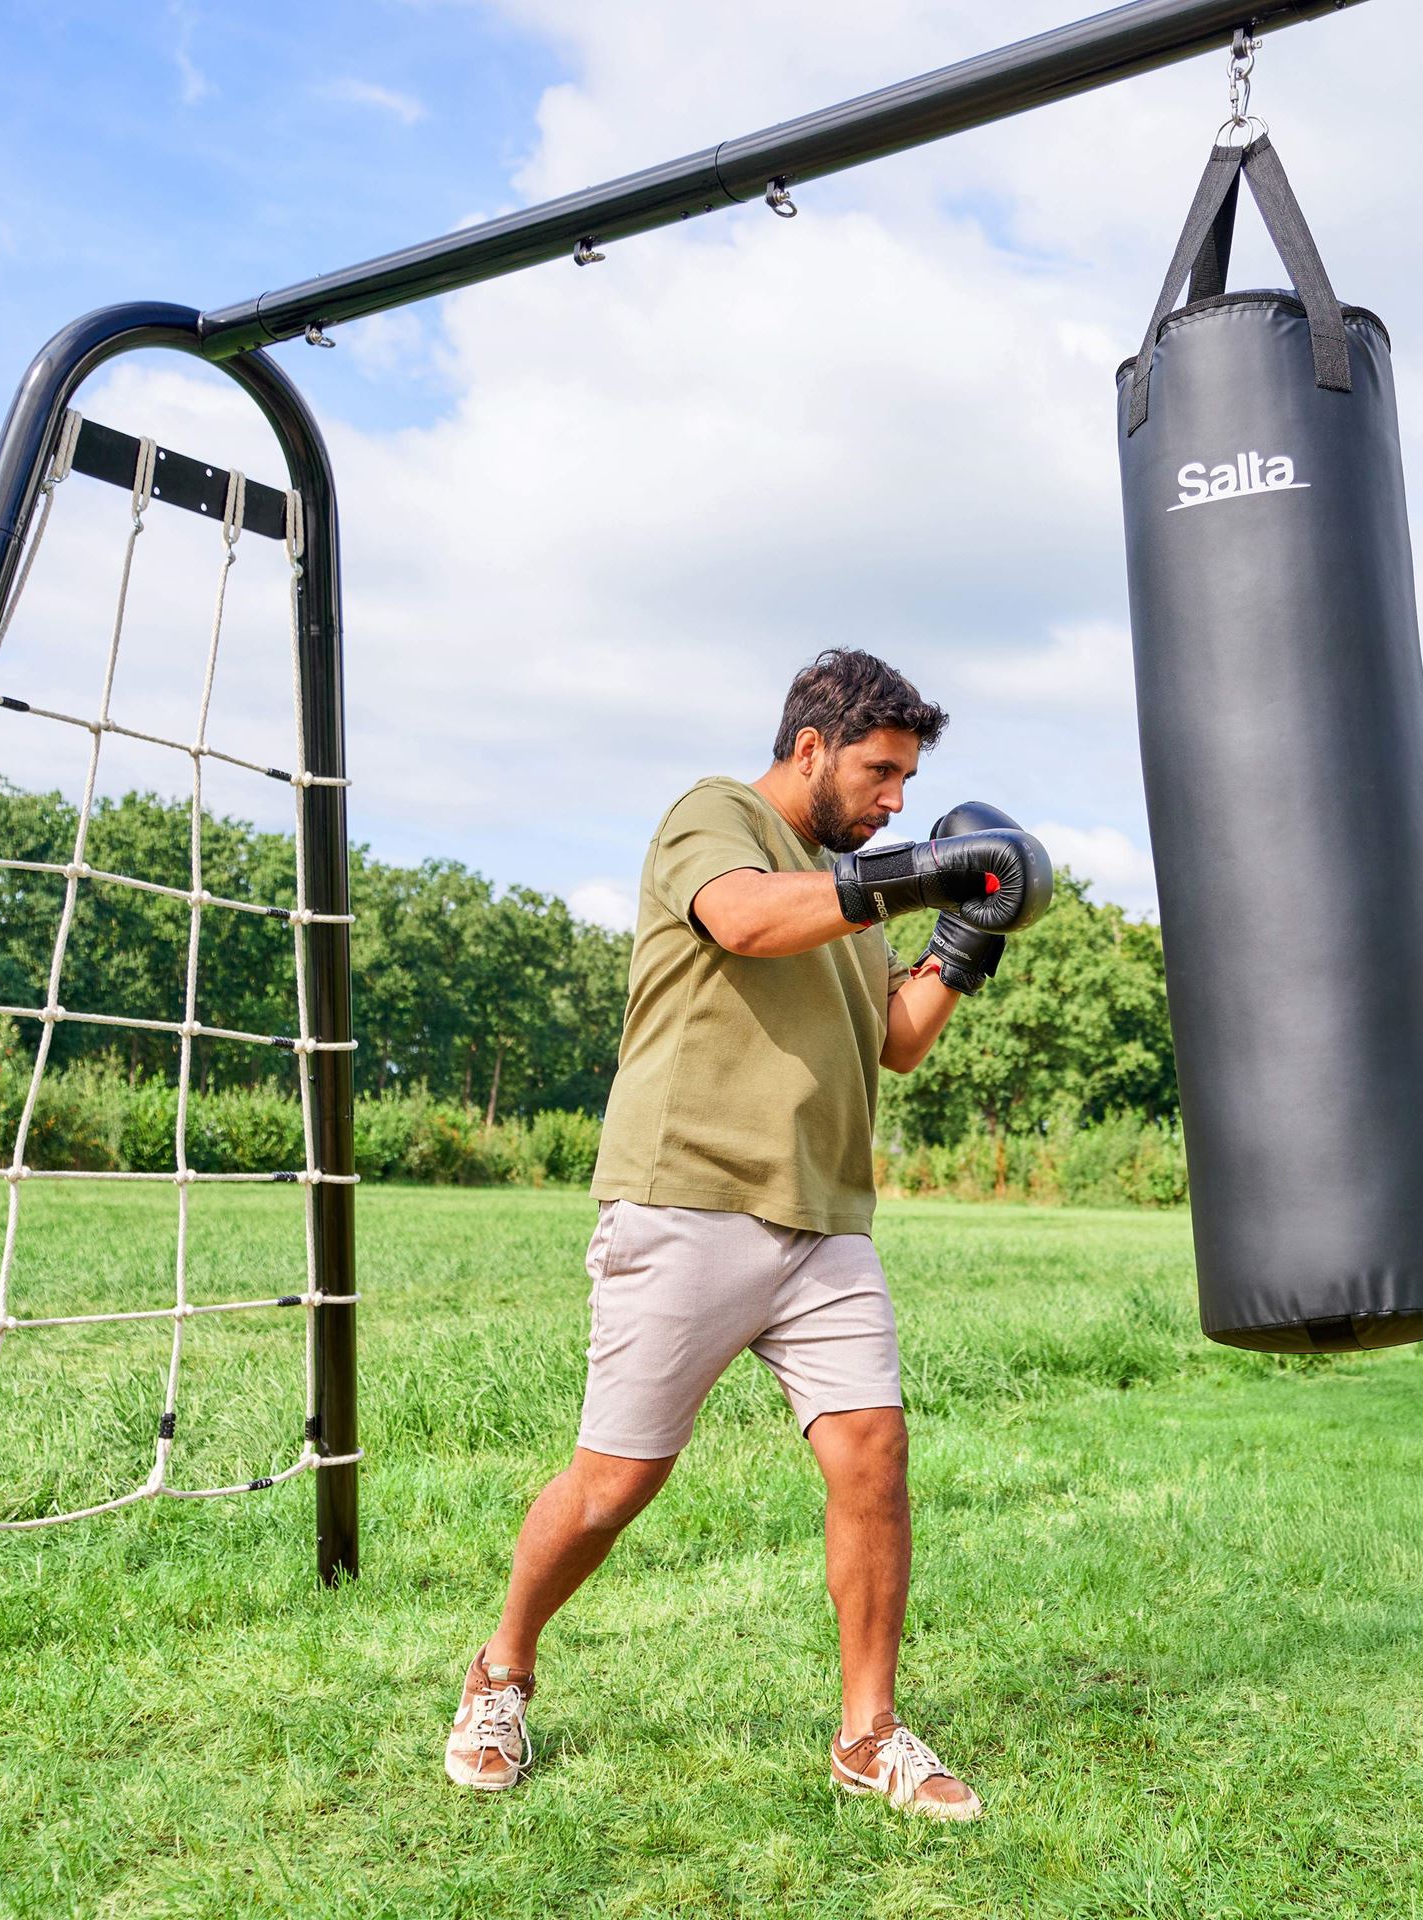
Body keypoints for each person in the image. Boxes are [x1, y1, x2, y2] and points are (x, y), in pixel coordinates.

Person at [442, 647, 1052, 1819]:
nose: (894, 801)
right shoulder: (713, 819)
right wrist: (918, 873)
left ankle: (868, 1732)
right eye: (880, 772)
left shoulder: (847, 887)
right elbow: (743, 922)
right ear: (810, 746)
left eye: (908, 782)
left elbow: (896, 1038)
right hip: (687, 1197)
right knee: (615, 1484)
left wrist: (969, 942)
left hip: (824, 1217)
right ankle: (501, 1671)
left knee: (872, 1454)